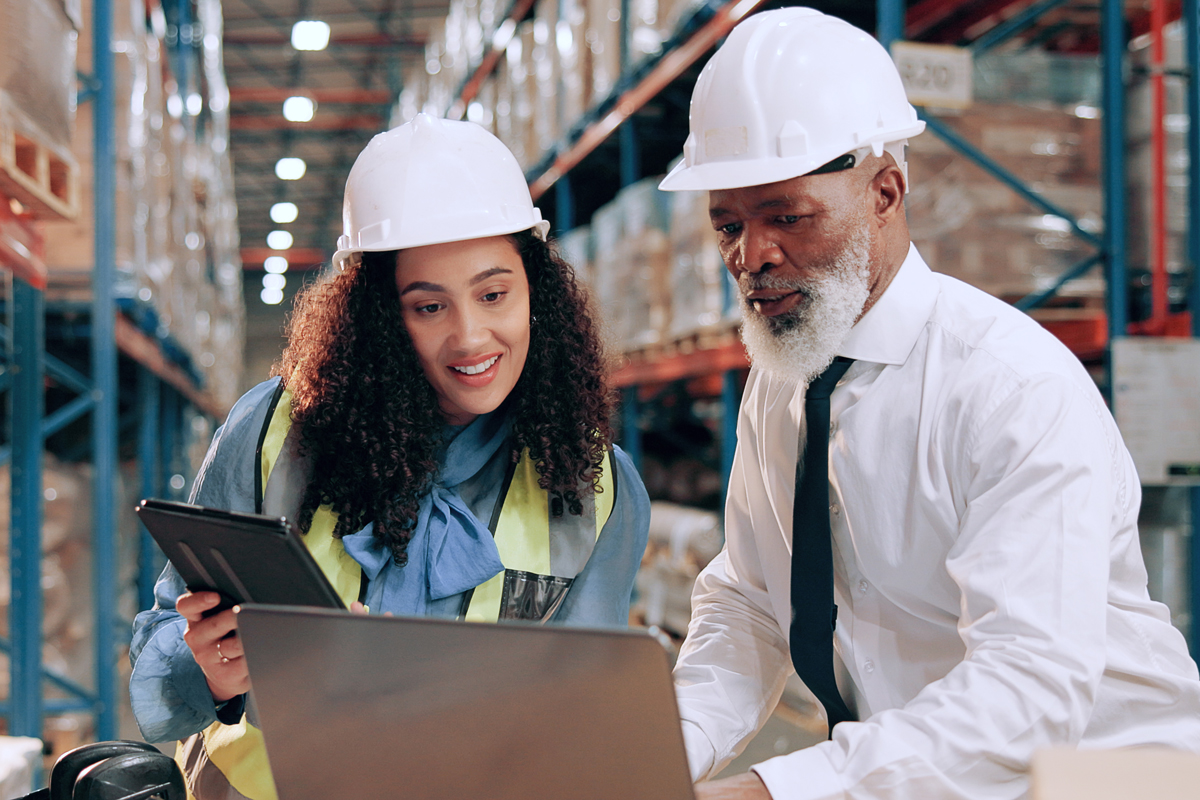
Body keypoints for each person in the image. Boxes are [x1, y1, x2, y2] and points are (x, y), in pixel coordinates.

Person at [655, 8, 1200, 799]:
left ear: (884, 191)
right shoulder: (781, 382)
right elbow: (748, 601)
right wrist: (663, 751)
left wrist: (771, 790)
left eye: (787, 218)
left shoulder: (1009, 389)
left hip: (1102, 780)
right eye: (728, 224)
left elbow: (1027, 695)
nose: (751, 257)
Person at [128, 114, 650, 800]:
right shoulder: (274, 434)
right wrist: (212, 673)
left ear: (536, 293)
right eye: (428, 307)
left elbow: (577, 719)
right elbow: (165, 645)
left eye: (494, 294)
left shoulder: (597, 491)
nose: (470, 337)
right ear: (380, 317)